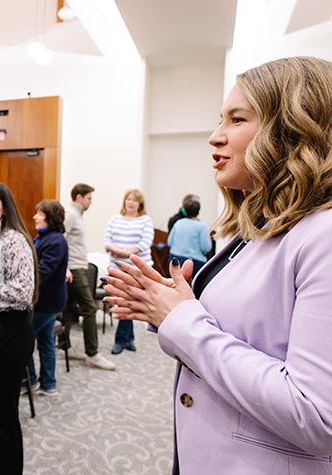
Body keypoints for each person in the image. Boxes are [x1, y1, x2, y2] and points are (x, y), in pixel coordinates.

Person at [103, 57, 332, 474]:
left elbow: (316, 415)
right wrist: (167, 306)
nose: (215, 137)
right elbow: (251, 331)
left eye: (236, 119)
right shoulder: (257, 225)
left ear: (291, 128)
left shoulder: (323, 235)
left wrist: (183, 320)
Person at [0, 181, 37, 475]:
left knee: (4, 410)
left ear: (3, 210)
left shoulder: (12, 239)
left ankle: (10, 467)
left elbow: (23, 291)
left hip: (11, 332)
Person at [60, 183, 115, 370]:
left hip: (79, 267)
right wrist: (65, 267)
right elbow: (60, 240)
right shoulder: (69, 214)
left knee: (68, 307)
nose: (91, 202)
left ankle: (63, 346)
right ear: (79, 197)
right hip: (74, 268)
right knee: (90, 309)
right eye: (89, 198)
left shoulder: (77, 215)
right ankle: (92, 354)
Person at [103, 189, 154, 355]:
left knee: (127, 302)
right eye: (128, 199)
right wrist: (117, 251)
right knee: (124, 302)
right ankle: (129, 338)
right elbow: (106, 240)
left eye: (134, 200)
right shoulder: (115, 219)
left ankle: (120, 340)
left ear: (140, 204)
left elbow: (144, 243)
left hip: (136, 270)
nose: (131, 202)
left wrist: (123, 253)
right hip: (116, 268)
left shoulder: (145, 220)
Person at [27, 199, 68, 396]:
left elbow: (43, 272)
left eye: (40, 214)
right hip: (47, 301)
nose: (35, 217)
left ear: (49, 218)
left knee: (24, 340)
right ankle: (48, 384)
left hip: (45, 302)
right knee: (46, 342)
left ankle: (31, 381)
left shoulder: (55, 241)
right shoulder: (45, 238)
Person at [167, 197, 211, 278]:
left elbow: (169, 242)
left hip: (175, 259)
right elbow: (206, 248)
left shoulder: (178, 223)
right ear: (198, 211)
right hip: (195, 263)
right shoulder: (202, 226)